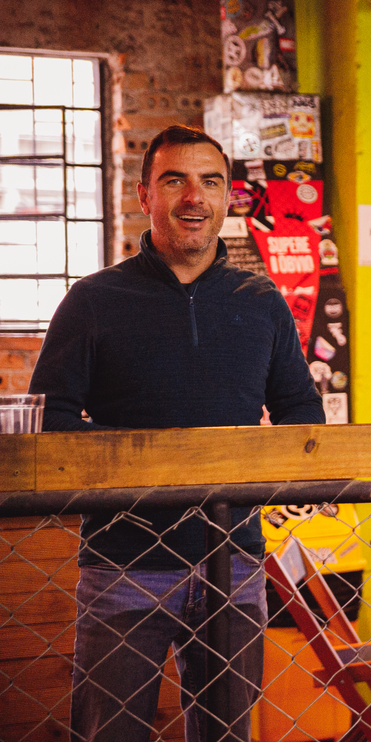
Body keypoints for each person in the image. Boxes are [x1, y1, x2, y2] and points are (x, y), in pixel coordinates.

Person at [29, 125, 324, 742]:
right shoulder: (92, 300)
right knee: (108, 733)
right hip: (123, 563)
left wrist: (254, 481)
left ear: (227, 199)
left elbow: (300, 412)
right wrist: (152, 460)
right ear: (145, 196)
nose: (194, 196)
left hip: (235, 559)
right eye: (175, 181)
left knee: (226, 735)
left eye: (210, 182)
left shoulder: (262, 299)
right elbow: (48, 420)